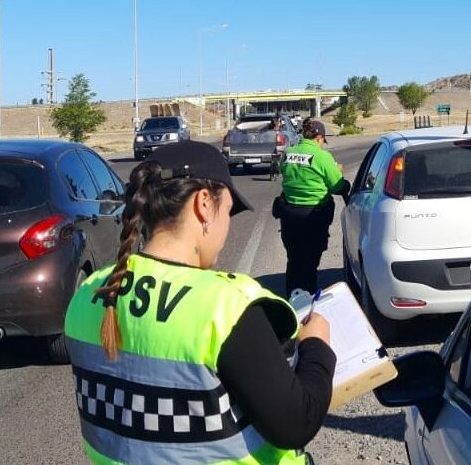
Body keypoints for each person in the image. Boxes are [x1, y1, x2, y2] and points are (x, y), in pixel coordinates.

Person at [64, 140, 336, 464]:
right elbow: (296, 423)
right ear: (204, 204)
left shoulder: (89, 293)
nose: (227, 225)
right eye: (228, 210)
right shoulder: (225, 307)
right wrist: (317, 345)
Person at [275, 119, 350, 298]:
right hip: (313, 216)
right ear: (319, 138)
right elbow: (337, 187)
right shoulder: (322, 157)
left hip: (289, 215)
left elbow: (284, 171)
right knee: (309, 263)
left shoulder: (288, 153)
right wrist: (338, 172)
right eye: (323, 141)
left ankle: (292, 298)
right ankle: (307, 301)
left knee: (293, 260)